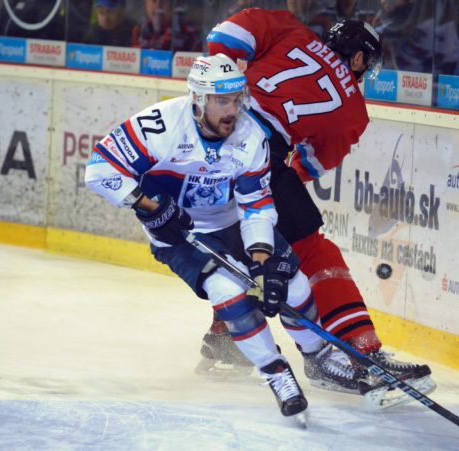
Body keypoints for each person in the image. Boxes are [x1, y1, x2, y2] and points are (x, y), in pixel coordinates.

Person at [84, 53, 361, 418]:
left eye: (237, 99)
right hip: (179, 236)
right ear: (198, 99)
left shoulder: (250, 136)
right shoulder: (159, 126)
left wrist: (262, 261)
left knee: (289, 283)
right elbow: (99, 170)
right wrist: (149, 206)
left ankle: (319, 357)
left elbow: (256, 205)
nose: (233, 109)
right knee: (228, 292)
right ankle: (274, 371)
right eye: (222, 100)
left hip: (230, 222)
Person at [205, 8, 433, 394]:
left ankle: (226, 337)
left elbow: (225, 39)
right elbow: (309, 164)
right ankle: (360, 349)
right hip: (260, 153)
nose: (363, 74)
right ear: (358, 57)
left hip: (208, 133)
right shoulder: (353, 110)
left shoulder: (289, 29)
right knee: (310, 250)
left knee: (246, 244)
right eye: (366, 64)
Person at [131, 0, 202, 52]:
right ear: (146, 3)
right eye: (154, 1)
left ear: (173, 5)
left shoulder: (189, 33)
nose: (158, 7)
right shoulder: (139, 31)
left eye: (163, 1)